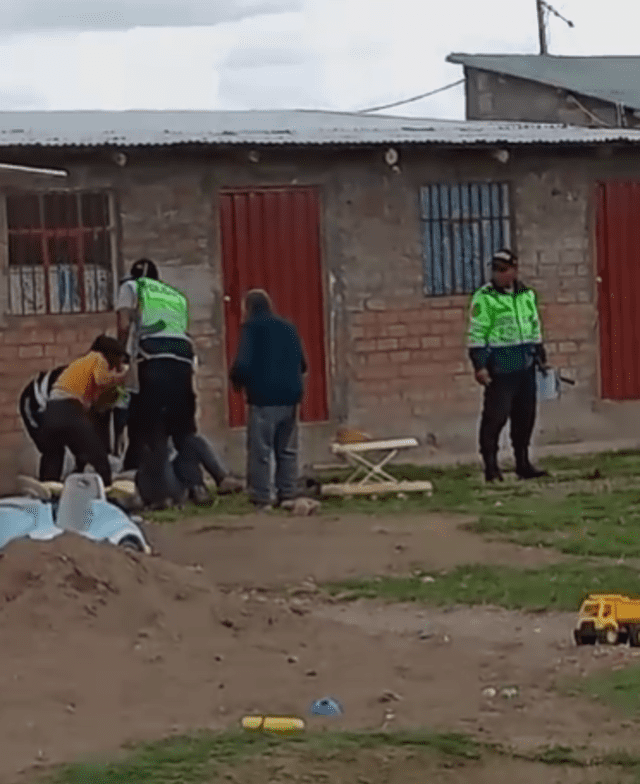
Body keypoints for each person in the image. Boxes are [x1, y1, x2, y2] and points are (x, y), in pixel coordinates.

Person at [116, 258, 242, 501]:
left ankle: (164, 495)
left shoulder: (133, 287)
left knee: (155, 429)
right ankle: (203, 485)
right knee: (184, 430)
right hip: (183, 359)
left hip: (153, 359)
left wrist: (121, 353)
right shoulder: (175, 296)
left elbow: (123, 325)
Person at [467, 248, 550, 483]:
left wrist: (540, 354)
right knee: (495, 417)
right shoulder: (485, 297)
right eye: (496, 270)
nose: (499, 274)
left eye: (504, 270)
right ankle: (491, 467)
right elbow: (477, 333)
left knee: (525, 417)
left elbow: (534, 326)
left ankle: (522, 463)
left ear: (514, 270)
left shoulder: (527, 295)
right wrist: (480, 365)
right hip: (501, 366)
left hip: (525, 363)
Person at [229, 289, 309, 510]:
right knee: (287, 449)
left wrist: (236, 381)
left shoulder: (251, 328)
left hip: (264, 398)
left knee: (261, 450)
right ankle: (288, 493)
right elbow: (303, 364)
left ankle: (262, 497)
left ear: (249, 308)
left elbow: (243, 363)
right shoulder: (288, 327)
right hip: (291, 396)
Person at [38, 336, 129, 487]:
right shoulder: (97, 357)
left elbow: (94, 400)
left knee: (53, 454)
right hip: (68, 407)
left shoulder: (81, 364)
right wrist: (122, 377)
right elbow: (102, 379)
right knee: (96, 452)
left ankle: (47, 489)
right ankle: (107, 487)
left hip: (51, 408)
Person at [19, 364, 117, 479]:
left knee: (84, 446)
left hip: (61, 408)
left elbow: (97, 433)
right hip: (35, 405)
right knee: (53, 449)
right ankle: (49, 488)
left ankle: (76, 481)